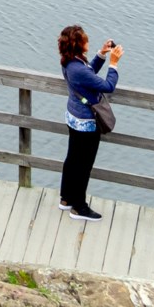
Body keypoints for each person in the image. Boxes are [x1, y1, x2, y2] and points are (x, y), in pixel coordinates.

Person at [57, 24, 121, 222]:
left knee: (73, 159)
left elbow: (88, 74)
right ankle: (79, 207)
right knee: (83, 165)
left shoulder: (70, 62)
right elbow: (107, 86)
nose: (89, 42)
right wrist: (113, 64)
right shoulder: (77, 67)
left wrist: (101, 55)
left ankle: (66, 198)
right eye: (86, 40)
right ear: (79, 45)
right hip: (86, 123)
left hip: (73, 117)